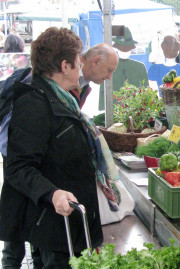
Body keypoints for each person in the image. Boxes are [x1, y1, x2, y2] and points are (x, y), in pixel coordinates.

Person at [0, 41, 119, 269]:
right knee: (16, 247)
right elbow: (19, 163)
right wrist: (50, 192)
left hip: (55, 208)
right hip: (45, 207)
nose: (80, 65)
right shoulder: (35, 101)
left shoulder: (61, 94)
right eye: (77, 62)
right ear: (66, 66)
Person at [99, 27, 148, 110]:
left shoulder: (140, 67)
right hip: (113, 112)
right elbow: (103, 92)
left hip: (136, 112)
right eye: (121, 48)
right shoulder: (108, 67)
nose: (125, 51)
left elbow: (146, 92)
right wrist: (103, 110)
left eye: (127, 48)